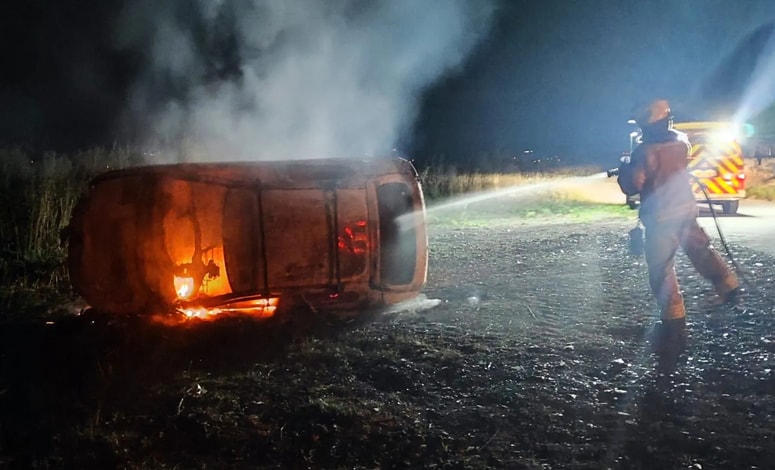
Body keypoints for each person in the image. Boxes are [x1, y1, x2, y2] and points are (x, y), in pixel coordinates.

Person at [616, 99, 740, 351]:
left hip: (660, 218)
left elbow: (633, 184)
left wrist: (625, 169)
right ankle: (730, 290)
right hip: (686, 210)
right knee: (702, 252)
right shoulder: (681, 142)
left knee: (661, 270)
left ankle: (673, 324)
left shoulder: (644, 151)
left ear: (647, 121)